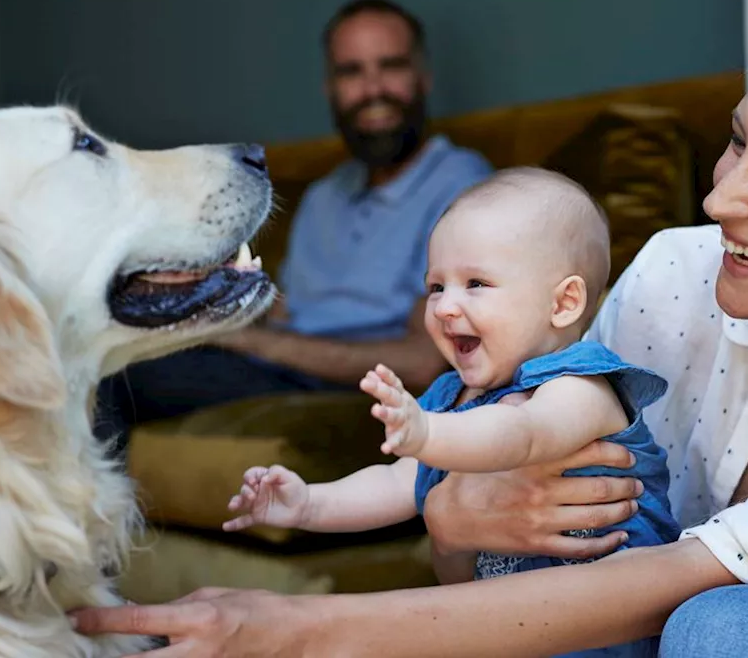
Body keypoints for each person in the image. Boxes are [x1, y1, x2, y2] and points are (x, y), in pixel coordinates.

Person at [71, 0, 748, 657]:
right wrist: (452, 517)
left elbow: (652, 590)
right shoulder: (672, 277)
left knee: (732, 627)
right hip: (621, 628)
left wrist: (287, 628)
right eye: (739, 139)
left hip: (741, 634)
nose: (718, 192)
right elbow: (501, 556)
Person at [221, 168, 680, 658]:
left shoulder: (581, 385)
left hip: (607, 633)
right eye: (436, 286)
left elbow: (521, 432)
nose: (443, 307)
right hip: (510, 631)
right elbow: (395, 484)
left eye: (475, 283)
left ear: (563, 303)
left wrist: (427, 431)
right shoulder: (451, 396)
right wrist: (308, 505)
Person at [93, 0, 492, 445]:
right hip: (268, 368)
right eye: (351, 72)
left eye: (392, 65)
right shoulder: (323, 196)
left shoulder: (463, 186)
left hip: (343, 385)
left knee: (114, 376)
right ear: (330, 88)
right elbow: (287, 310)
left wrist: (247, 341)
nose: (373, 88)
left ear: (423, 78)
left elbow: (424, 361)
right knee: (104, 350)